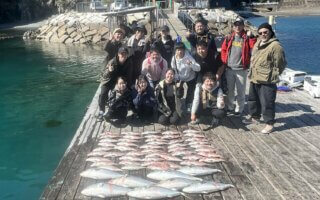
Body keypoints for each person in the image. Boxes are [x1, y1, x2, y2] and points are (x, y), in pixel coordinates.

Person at [243, 22, 287, 134]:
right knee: (253, 100)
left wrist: (274, 75)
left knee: (268, 103)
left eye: (265, 32)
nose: (263, 34)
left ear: (270, 32)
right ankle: (255, 117)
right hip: (255, 77)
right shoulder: (258, 42)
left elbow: (281, 64)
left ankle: (269, 123)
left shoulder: (276, 46)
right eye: (261, 32)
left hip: (267, 80)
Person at [221, 18, 257, 116]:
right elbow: (224, 50)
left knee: (241, 91)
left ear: (243, 26)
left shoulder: (246, 37)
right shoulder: (229, 37)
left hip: (241, 69)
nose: (237, 27)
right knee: (230, 91)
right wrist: (225, 61)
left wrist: (252, 36)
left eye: (240, 25)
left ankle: (239, 109)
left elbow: (253, 47)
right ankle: (230, 107)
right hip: (230, 69)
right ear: (233, 26)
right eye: (236, 25)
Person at [98, 47, 136, 120]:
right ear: (118, 54)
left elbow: (129, 75)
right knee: (103, 93)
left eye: (125, 54)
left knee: (132, 91)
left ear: (127, 55)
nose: (123, 56)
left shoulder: (129, 62)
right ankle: (101, 111)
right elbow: (104, 76)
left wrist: (130, 85)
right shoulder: (112, 62)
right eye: (122, 54)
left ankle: (133, 109)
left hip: (121, 81)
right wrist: (109, 71)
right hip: (110, 81)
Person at [171, 42, 200, 107]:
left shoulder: (188, 57)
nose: (180, 52)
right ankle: (179, 103)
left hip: (190, 77)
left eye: (181, 49)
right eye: (178, 50)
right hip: (180, 78)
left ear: (184, 50)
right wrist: (177, 78)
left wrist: (191, 64)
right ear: (175, 50)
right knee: (178, 94)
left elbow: (198, 68)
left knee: (190, 93)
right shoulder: (174, 58)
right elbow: (174, 69)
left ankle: (188, 104)